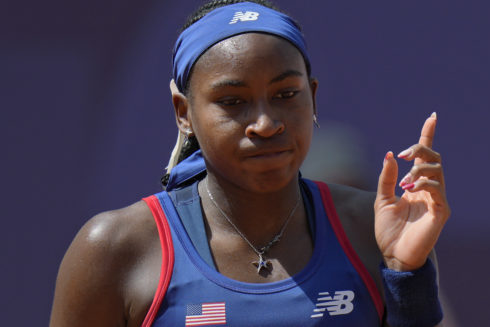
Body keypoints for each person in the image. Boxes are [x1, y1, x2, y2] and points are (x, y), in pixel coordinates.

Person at [49, 1, 451, 326]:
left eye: (286, 94)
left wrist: (407, 276)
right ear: (183, 112)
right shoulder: (114, 248)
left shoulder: (372, 228)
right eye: (233, 101)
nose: (265, 123)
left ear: (312, 96)